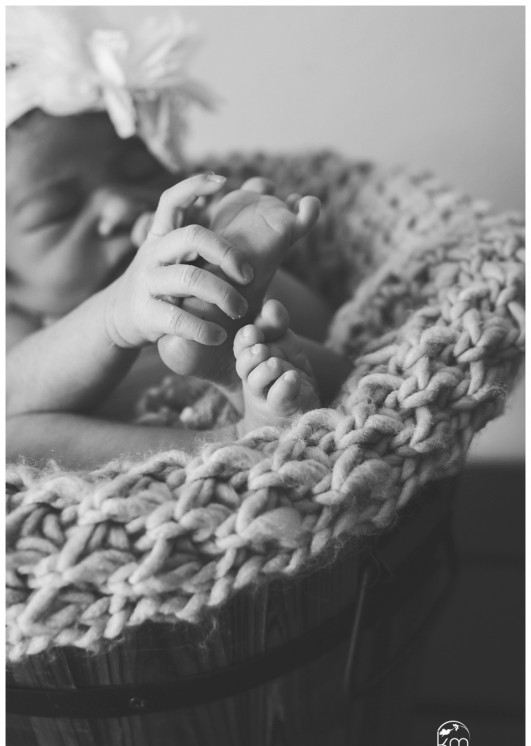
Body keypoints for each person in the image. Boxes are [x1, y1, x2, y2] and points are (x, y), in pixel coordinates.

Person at [6, 7, 350, 469]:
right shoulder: (22, 320)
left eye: (141, 173)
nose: (119, 208)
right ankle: (237, 440)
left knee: (334, 369)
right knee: (10, 438)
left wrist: (233, 267)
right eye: (56, 212)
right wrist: (114, 315)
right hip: (153, 458)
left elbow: (323, 321)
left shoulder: (194, 249)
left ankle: (245, 361)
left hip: (256, 392)